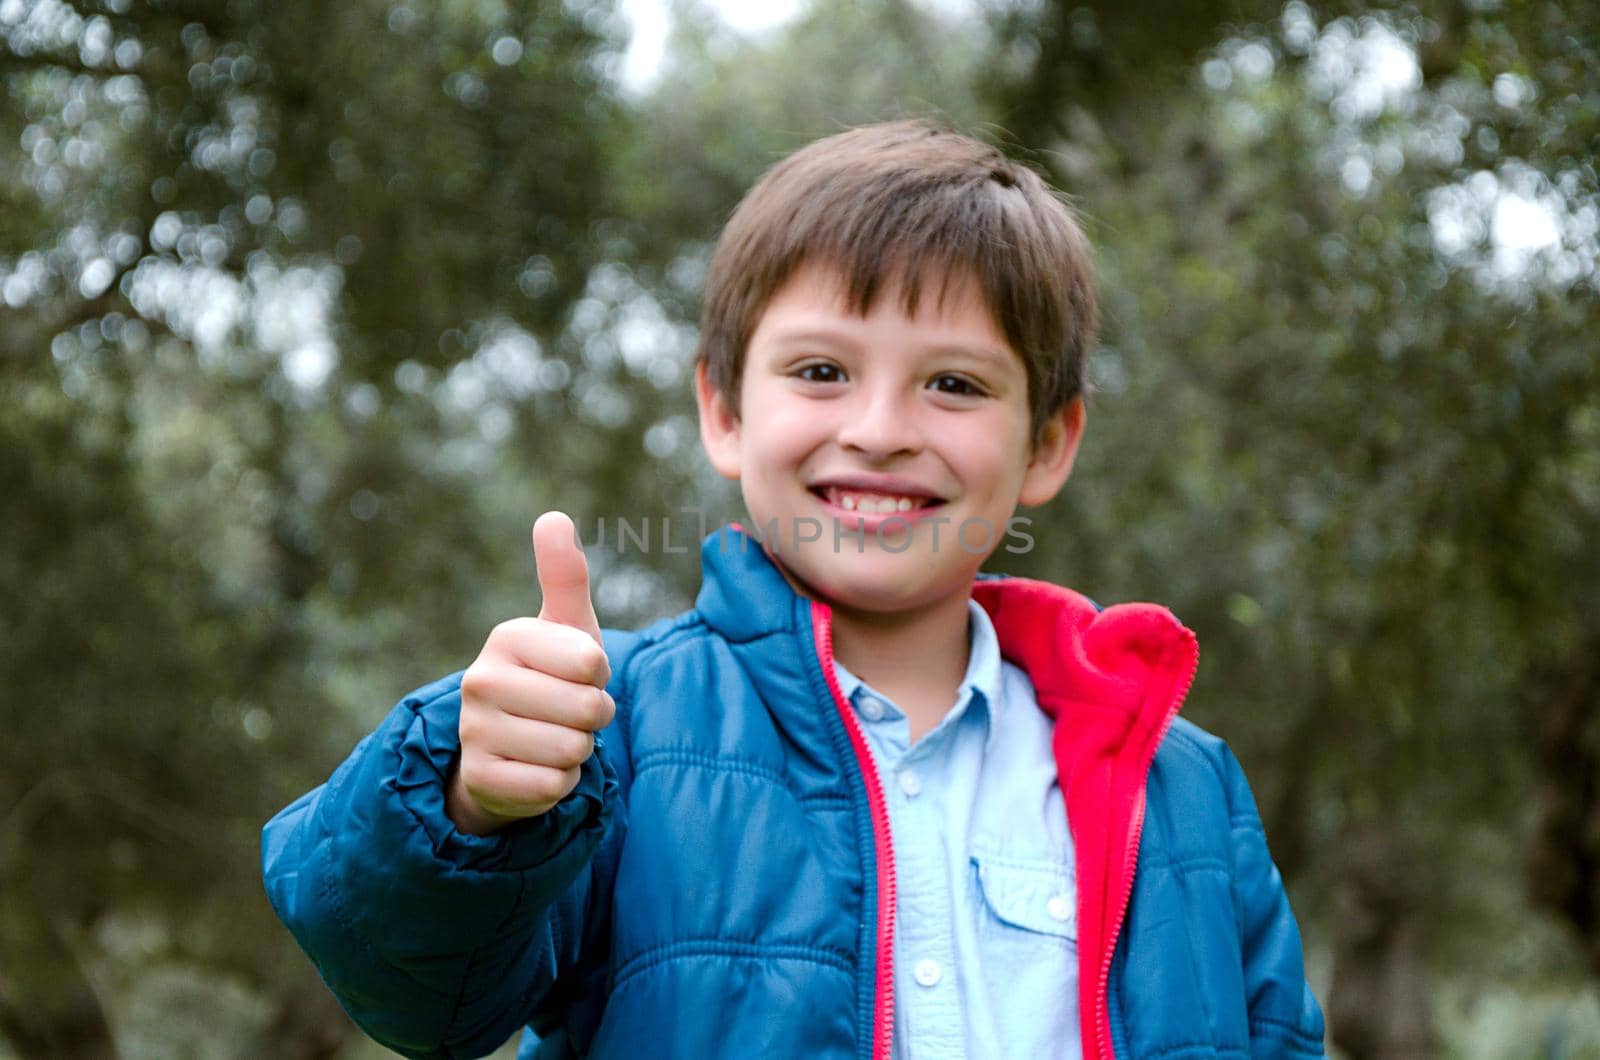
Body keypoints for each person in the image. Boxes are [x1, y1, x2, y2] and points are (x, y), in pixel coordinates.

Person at [262, 120, 1325, 1059]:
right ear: (722, 410)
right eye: (821, 371)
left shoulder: (1181, 786)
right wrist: (471, 802)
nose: (878, 428)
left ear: (1048, 442)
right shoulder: (609, 730)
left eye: (953, 383)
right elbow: (418, 1001)